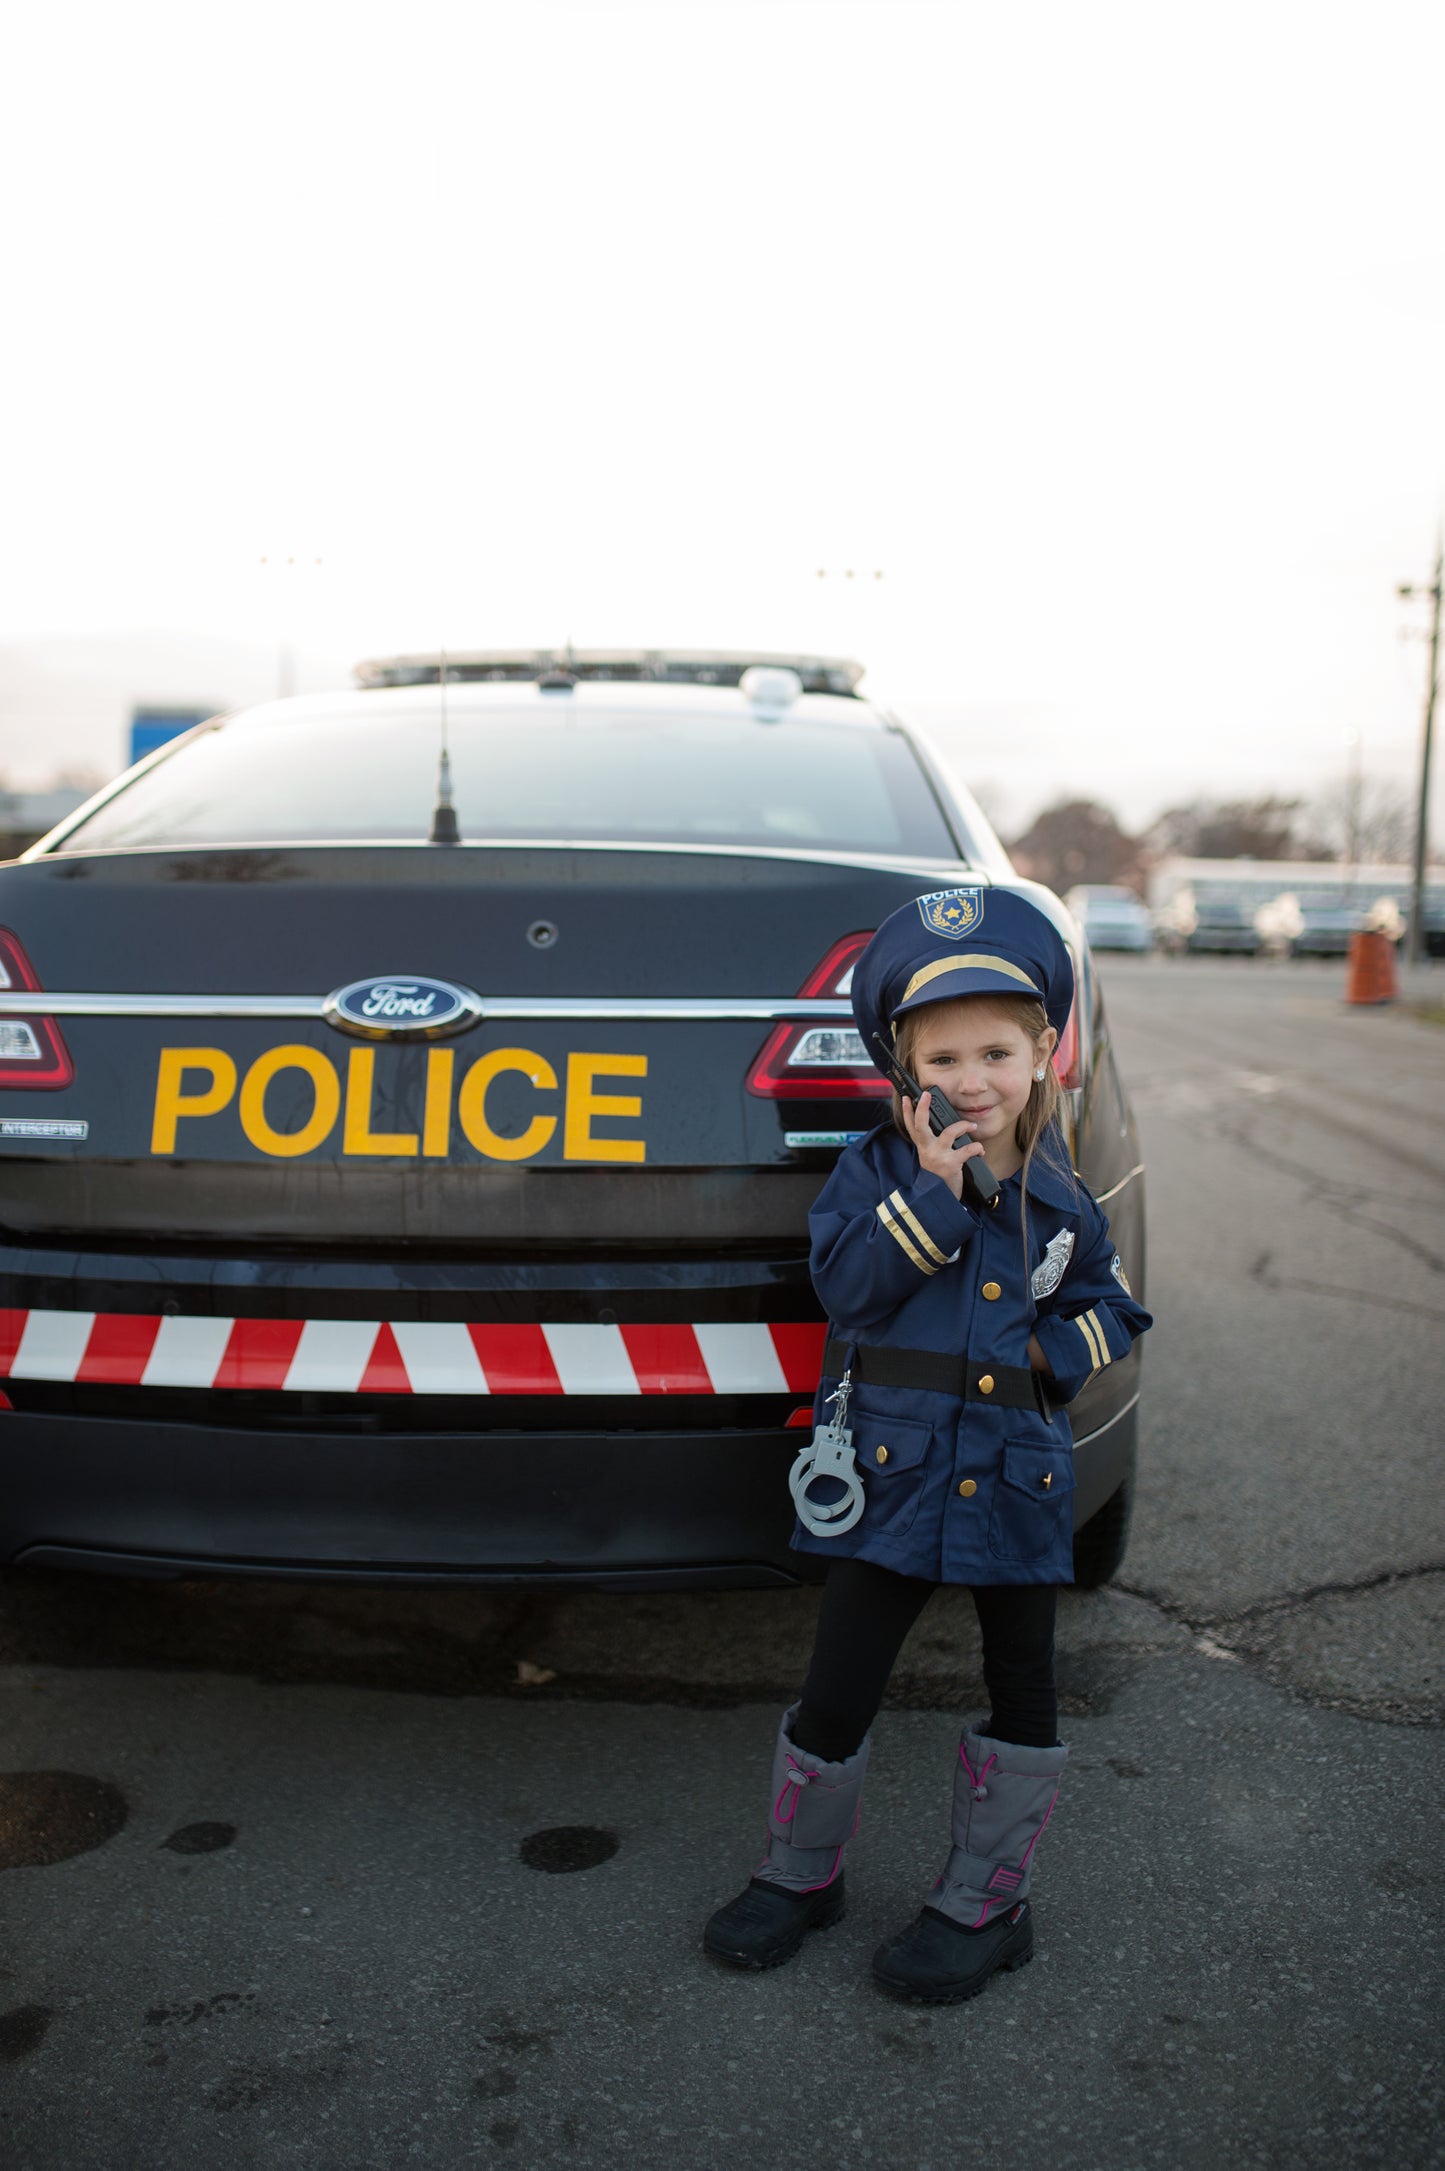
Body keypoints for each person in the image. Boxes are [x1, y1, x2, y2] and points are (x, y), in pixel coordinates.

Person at [703, 885, 1152, 2002]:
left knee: (1021, 1687)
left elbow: (1115, 1303)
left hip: (1014, 1478)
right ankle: (800, 1873)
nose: (969, 1079)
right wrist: (935, 1195)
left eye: (995, 1049)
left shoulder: (1064, 1199)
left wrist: (1059, 1351)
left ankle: (985, 1902)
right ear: (902, 1072)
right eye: (941, 1055)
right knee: (839, 1682)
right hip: (890, 1479)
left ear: (1044, 1052)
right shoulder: (876, 1176)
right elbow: (847, 1290)